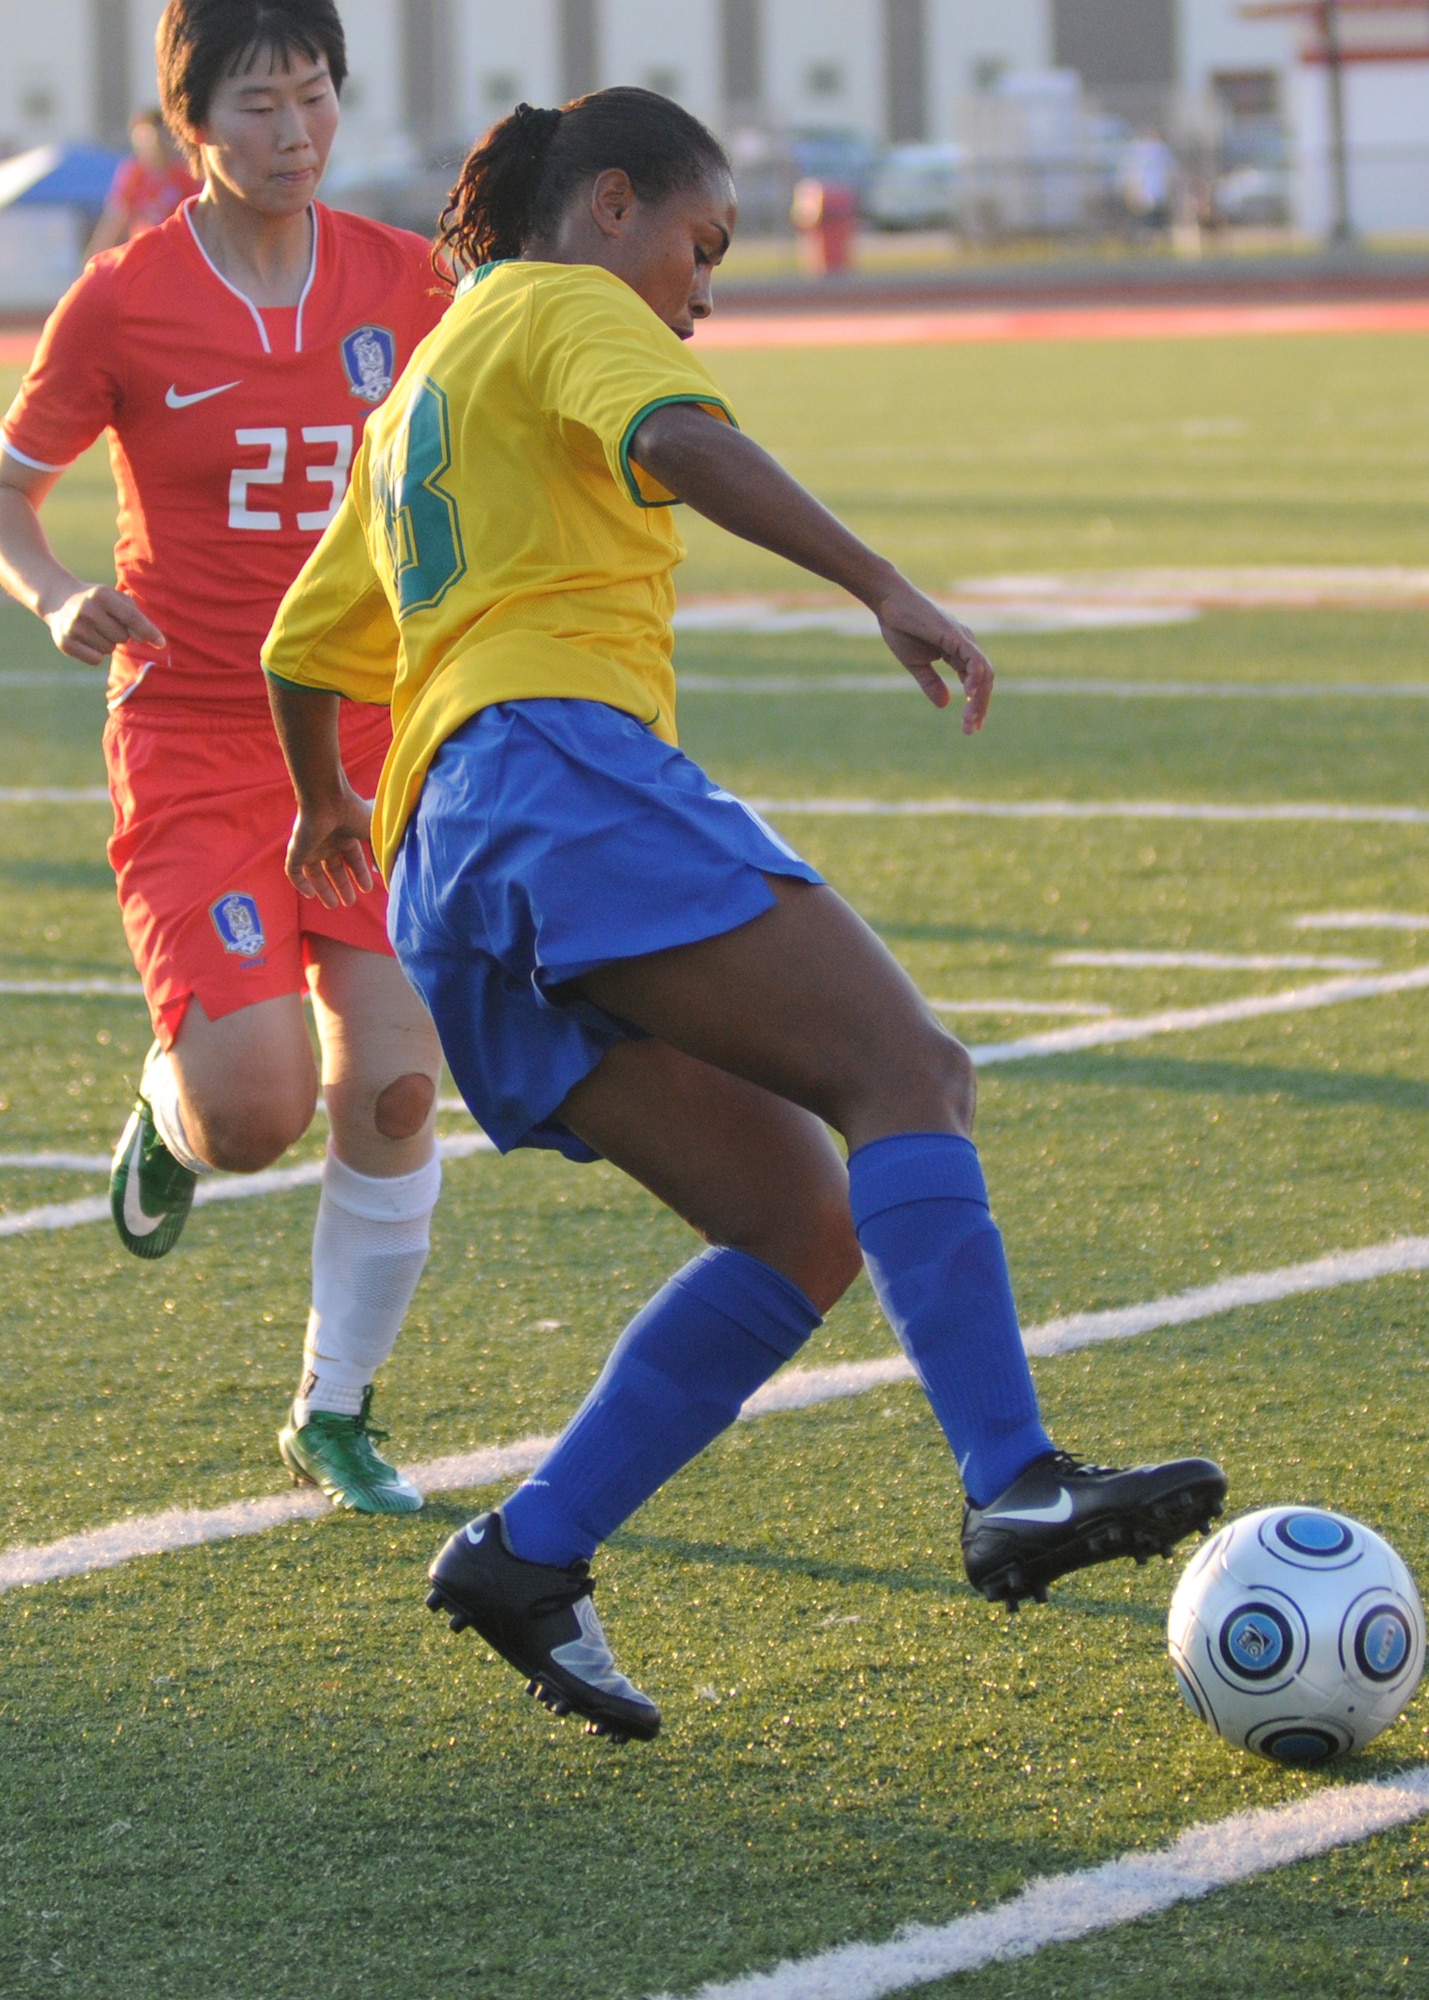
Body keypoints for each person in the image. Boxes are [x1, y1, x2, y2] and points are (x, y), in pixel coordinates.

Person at [263, 88, 1228, 1743]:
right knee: (905, 1075)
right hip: (556, 771)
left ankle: (529, 1551)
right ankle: (1012, 1481)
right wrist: (879, 583)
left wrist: (328, 803)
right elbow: (679, 442)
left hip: (446, 862)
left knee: (800, 1220)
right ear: (611, 203)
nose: (702, 293)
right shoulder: (570, 302)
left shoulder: (422, 377)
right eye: (699, 248)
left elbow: (305, 646)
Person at [0, 0, 450, 1514]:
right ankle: (172, 1107)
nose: (293, 133)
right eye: (257, 105)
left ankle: (336, 1411)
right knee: (255, 1112)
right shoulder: (124, 301)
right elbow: (9, 488)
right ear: (190, 126)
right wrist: (60, 592)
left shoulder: (408, 284)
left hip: (372, 739)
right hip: (193, 737)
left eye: (314, 97)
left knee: (392, 1092)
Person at [87, 108, 201, 255]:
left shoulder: (184, 175)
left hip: (176, 254)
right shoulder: (134, 174)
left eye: (159, 136)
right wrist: (96, 254)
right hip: (143, 253)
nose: (154, 143)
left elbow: (198, 219)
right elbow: (115, 218)